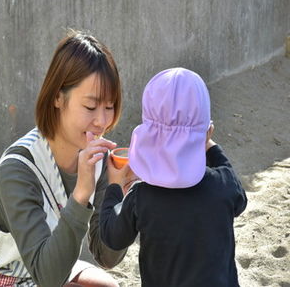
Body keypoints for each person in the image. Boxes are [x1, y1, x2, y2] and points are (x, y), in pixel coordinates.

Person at [0, 30, 128, 286]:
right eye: (90, 107)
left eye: (109, 106)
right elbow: (48, 277)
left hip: (48, 263)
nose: (102, 121)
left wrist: (118, 194)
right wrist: (80, 196)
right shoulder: (18, 169)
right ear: (57, 97)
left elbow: (106, 255)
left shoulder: (98, 159)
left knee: (110, 285)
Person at [100, 68, 248, 286]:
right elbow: (240, 201)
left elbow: (112, 236)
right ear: (208, 132)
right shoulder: (223, 184)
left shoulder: (141, 197)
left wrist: (114, 187)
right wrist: (210, 146)